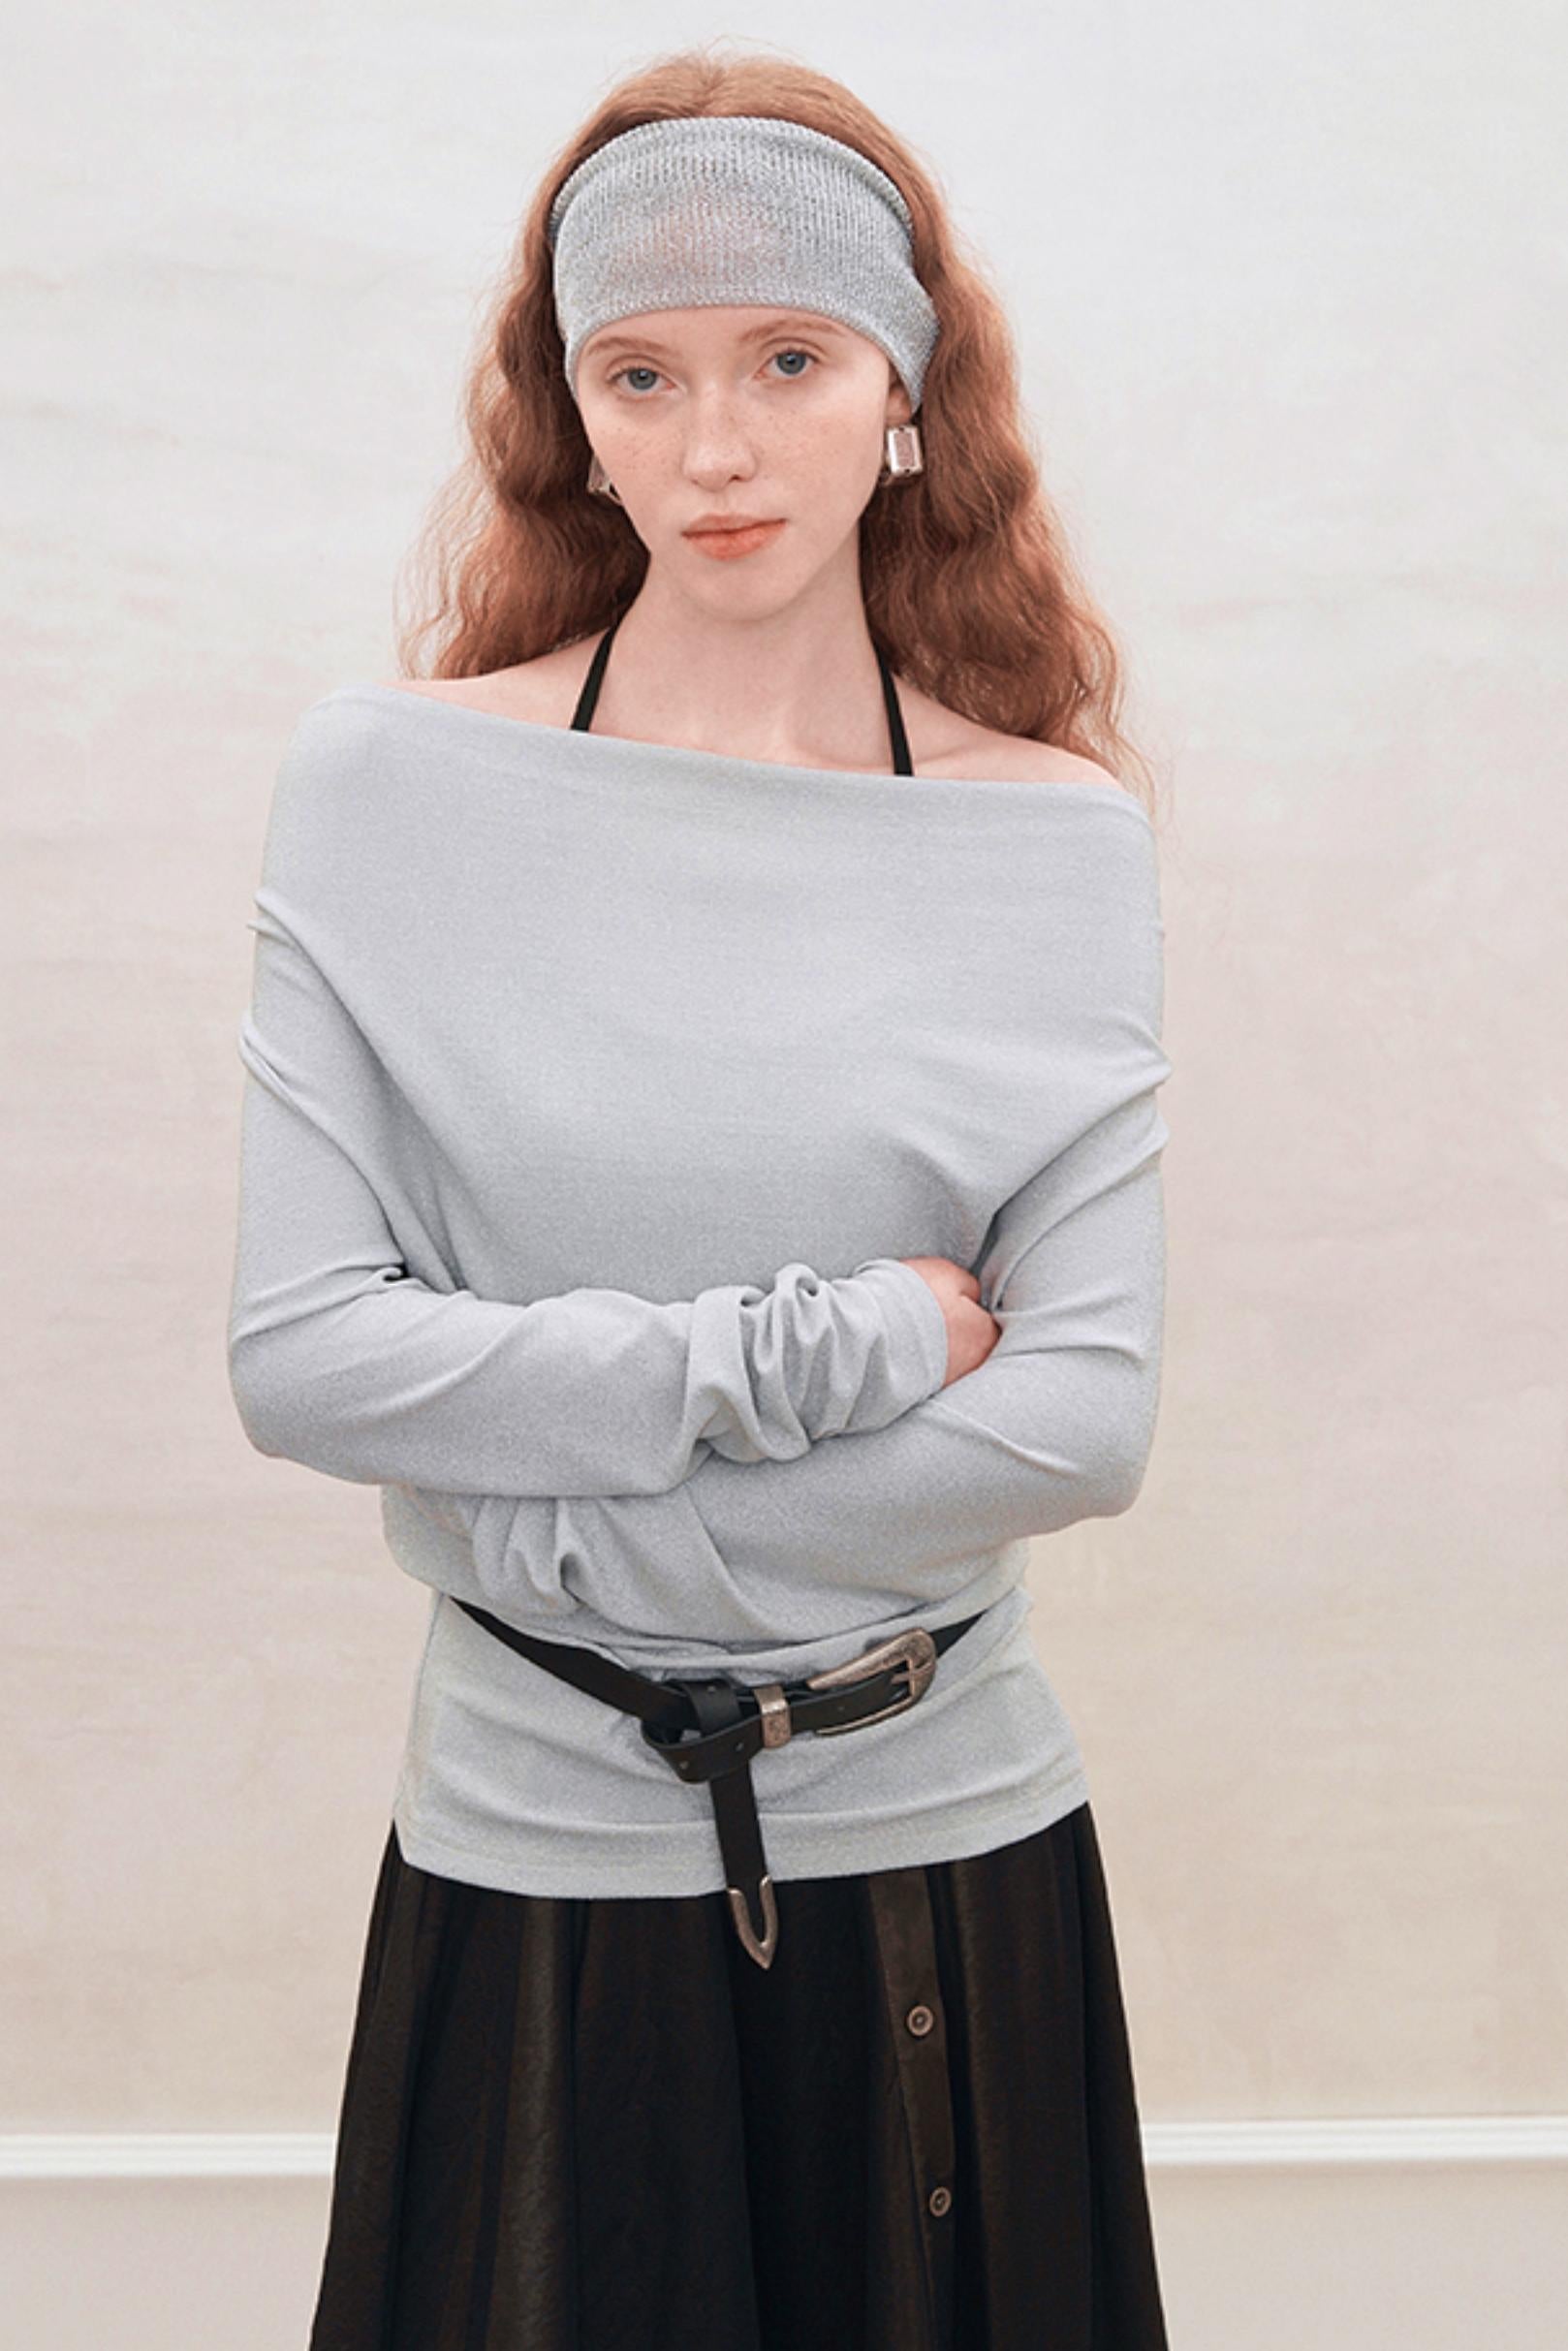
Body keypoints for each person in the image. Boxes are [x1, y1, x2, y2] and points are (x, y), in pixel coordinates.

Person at [228, 47, 1175, 2351]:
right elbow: (307, 1355)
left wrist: (539, 1524)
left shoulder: (1052, 841)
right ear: (570, 411)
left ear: (905, 388)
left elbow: (1079, 1419)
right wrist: (855, 1342)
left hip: (947, 1850)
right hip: (529, 1852)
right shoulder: (388, 790)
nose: (714, 448)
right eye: (637, 374)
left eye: (786, 361)